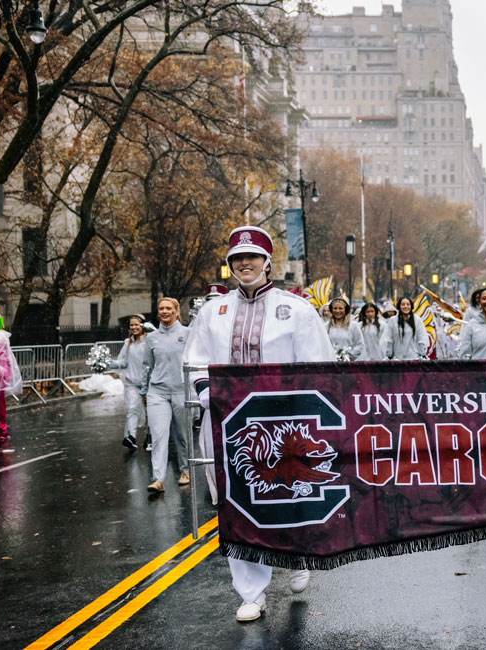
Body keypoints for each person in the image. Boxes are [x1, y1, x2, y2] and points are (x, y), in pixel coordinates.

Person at [184, 225, 335, 622]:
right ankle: (251, 592)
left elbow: (319, 365)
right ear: (230, 264)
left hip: (285, 426)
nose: (244, 264)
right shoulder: (212, 311)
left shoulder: (296, 309)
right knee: (238, 504)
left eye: (252, 257)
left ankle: (298, 554)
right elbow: (195, 360)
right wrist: (207, 393)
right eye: (237, 258)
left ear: (267, 263)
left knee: (290, 493)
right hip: (228, 424)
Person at [143, 297, 191, 493]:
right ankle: (158, 479)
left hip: (180, 390)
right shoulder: (151, 338)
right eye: (161, 308)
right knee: (159, 436)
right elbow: (148, 366)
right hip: (158, 392)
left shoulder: (188, 334)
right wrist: (143, 391)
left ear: (176, 311)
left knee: (181, 434)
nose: (164, 311)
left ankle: (185, 470)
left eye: (168, 308)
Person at [109, 315, 150, 451]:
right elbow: (123, 361)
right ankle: (130, 437)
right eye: (131, 325)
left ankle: (150, 437)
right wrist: (108, 363)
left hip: (149, 382)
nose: (134, 327)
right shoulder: (128, 343)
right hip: (132, 382)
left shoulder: (149, 340)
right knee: (132, 408)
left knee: (150, 411)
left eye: (136, 325)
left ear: (142, 325)